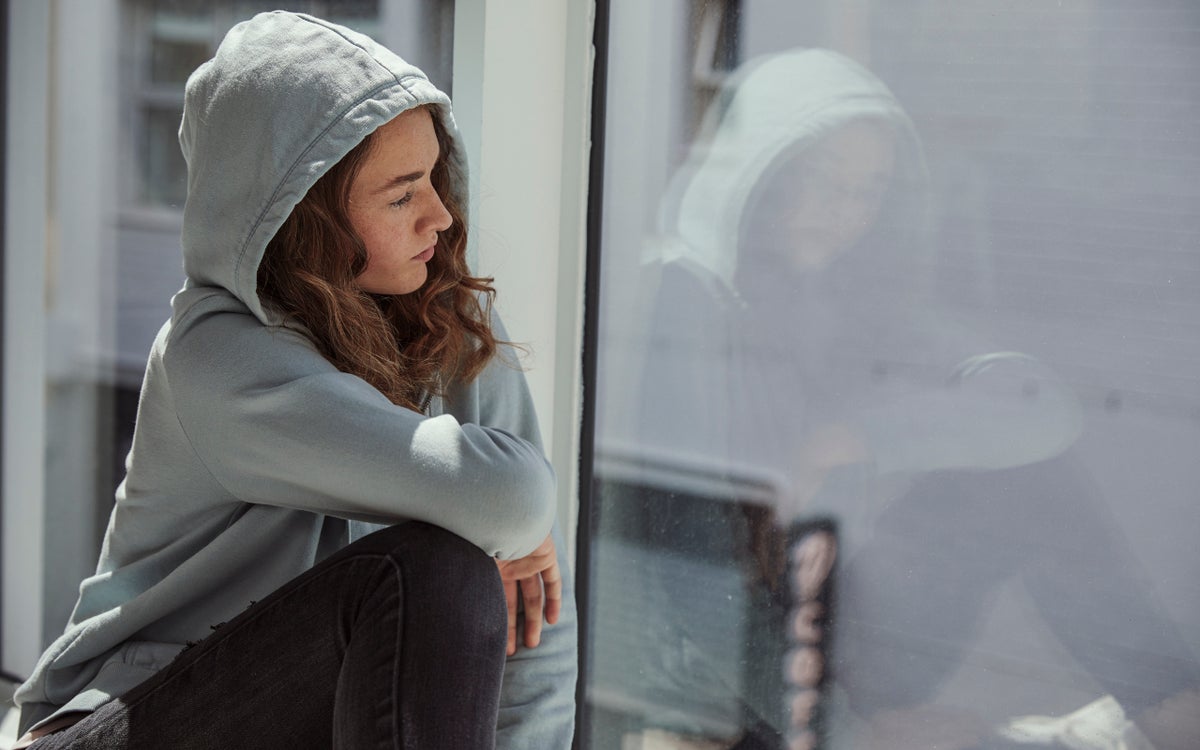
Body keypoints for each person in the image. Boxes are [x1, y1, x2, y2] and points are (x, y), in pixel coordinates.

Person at [11, 11, 576, 749]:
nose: (439, 216)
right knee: (432, 574)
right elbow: (512, 495)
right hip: (129, 719)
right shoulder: (211, 355)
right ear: (302, 215)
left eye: (434, 176)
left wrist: (516, 522)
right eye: (402, 193)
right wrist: (512, 518)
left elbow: (534, 632)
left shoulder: (450, 323)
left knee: (458, 577)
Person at [618, 48, 1199, 749]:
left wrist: (855, 436)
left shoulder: (845, 296)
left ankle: (1173, 708)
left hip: (828, 618)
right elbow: (696, 591)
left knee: (1029, 481)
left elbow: (1041, 411)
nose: (842, 212)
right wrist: (845, 731)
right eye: (819, 179)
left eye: (867, 190)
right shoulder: (686, 301)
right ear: (757, 171)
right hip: (729, 685)